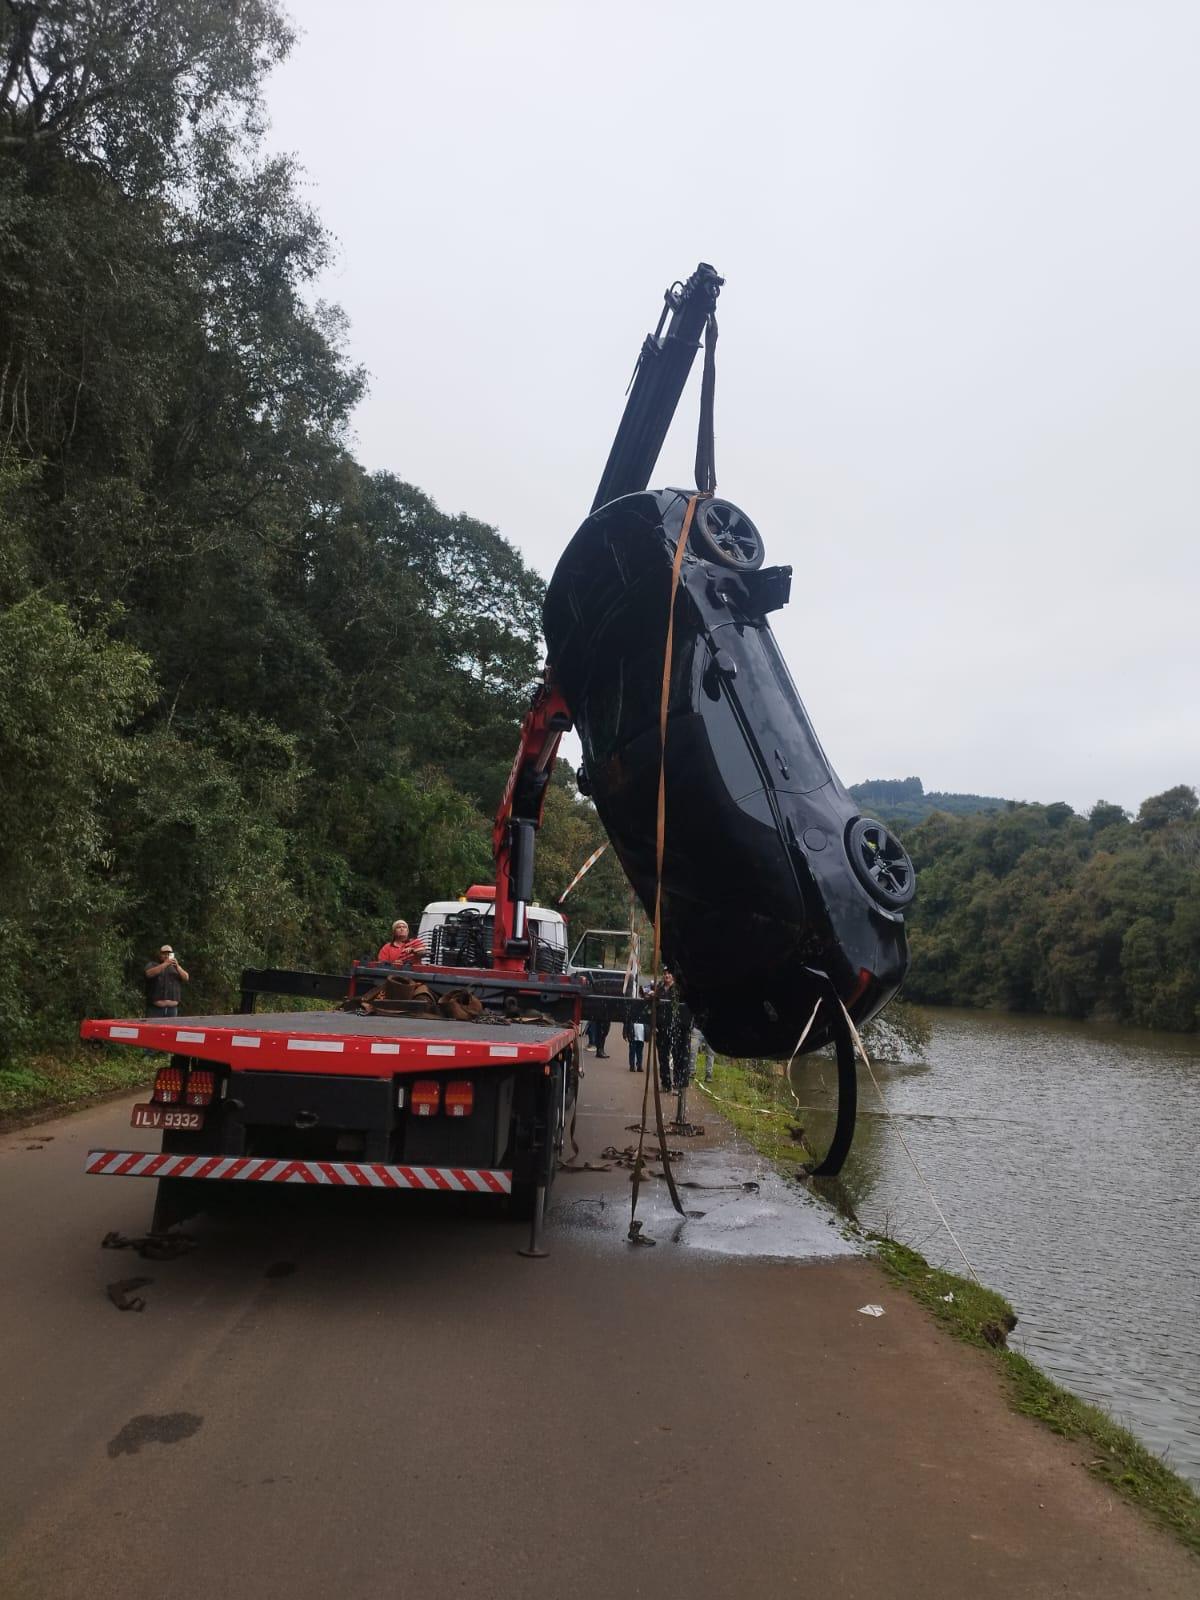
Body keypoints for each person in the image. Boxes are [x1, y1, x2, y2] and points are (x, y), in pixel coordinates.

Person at [145, 944, 189, 1018]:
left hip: (172, 1010)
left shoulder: (176, 967)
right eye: (164, 953)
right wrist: (165, 964)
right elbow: (148, 974)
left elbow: (186, 978)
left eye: (169, 954)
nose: (166, 956)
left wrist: (177, 966)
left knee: (170, 1029)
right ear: (160, 954)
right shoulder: (153, 964)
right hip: (155, 1009)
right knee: (154, 1029)